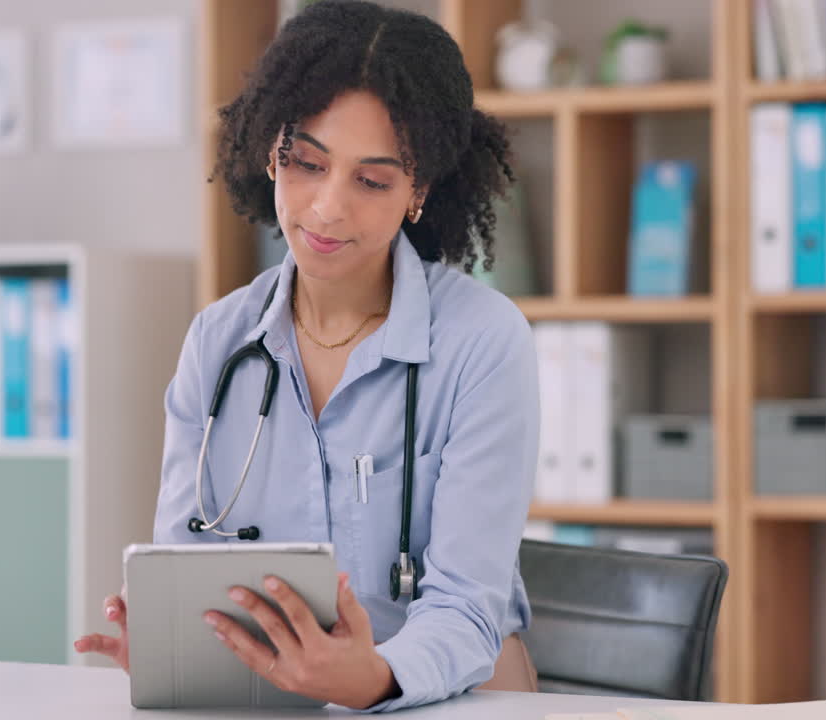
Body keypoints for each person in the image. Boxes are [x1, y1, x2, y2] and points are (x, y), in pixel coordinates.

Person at [75, 0, 539, 711]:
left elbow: (469, 608)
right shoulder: (218, 342)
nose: (325, 208)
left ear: (419, 190)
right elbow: (184, 564)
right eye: (306, 163)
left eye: (372, 180)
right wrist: (171, 639)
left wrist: (374, 678)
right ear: (270, 152)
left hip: (447, 702)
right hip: (270, 704)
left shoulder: (483, 341)